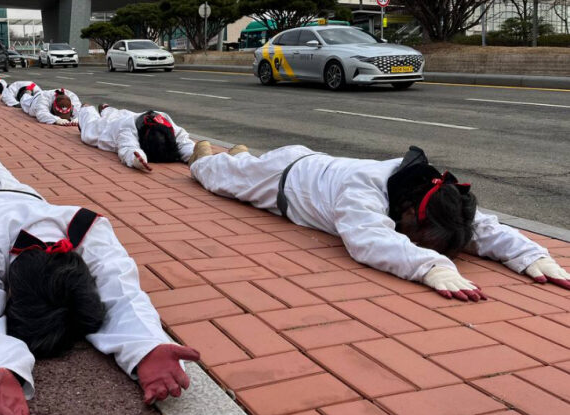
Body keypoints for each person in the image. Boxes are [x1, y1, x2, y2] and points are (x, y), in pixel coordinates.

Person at [0, 154, 201, 415]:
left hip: (19, 195)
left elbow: (121, 289)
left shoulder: (89, 228)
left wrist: (147, 346)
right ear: (9, 291)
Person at [189, 144, 570, 300]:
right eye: (421, 241)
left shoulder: (437, 194)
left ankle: (241, 154)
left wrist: (530, 255)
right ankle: (204, 153)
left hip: (307, 164)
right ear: (410, 214)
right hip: (280, 176)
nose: (419, 245)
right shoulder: (362, 189)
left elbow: (479, 226)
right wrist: (430, 266)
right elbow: (367, 240)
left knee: (239, 163)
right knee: (212, 174)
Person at [77, 105, 199, 172]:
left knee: (120, 113)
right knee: (89, 129)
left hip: (130, 116)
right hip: (110, 126)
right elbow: (128, 148)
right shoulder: (126, 130)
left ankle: (107, 109)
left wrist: (197, 154)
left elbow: (183, 141)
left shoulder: (164, 121)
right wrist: (137, 159)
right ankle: (87, 108)